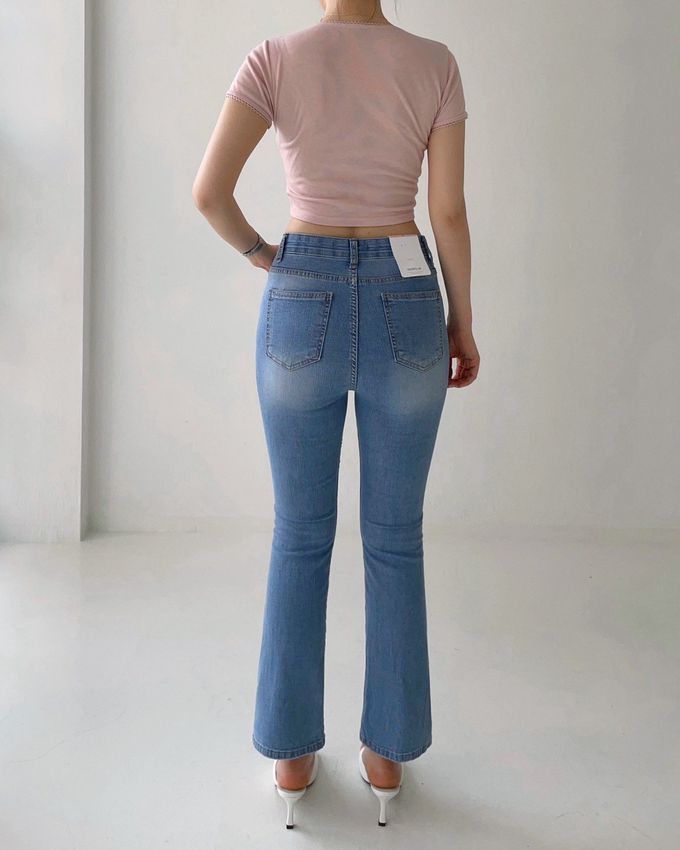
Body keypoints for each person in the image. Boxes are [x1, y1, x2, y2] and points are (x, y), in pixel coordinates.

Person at [192, 0, 480, 829]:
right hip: (406, 297)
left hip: (301, 292)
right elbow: (448, 212)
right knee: (394, 538)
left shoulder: (273, 58)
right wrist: (461, 322)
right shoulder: (435, 62)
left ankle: (290, 757)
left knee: (299, 534)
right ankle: (387, 755)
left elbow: (209, 193)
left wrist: (264, 254)